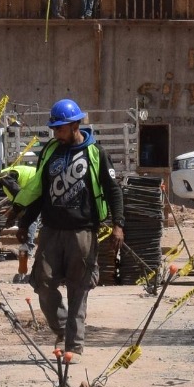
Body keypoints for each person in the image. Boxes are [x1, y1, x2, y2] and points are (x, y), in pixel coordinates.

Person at [22, 97, 120, 355]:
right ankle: (62, 329)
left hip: (83, 231)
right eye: (53, 128)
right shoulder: (50, 151)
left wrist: (118, 225)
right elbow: (39, 191)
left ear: (76, 124)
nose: (56, 133)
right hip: (51, 230)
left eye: (60, 128)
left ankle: (74, 347)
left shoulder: (96, 154)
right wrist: (25, 221)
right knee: (42, 282)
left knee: (79, 287)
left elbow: (114, 191)